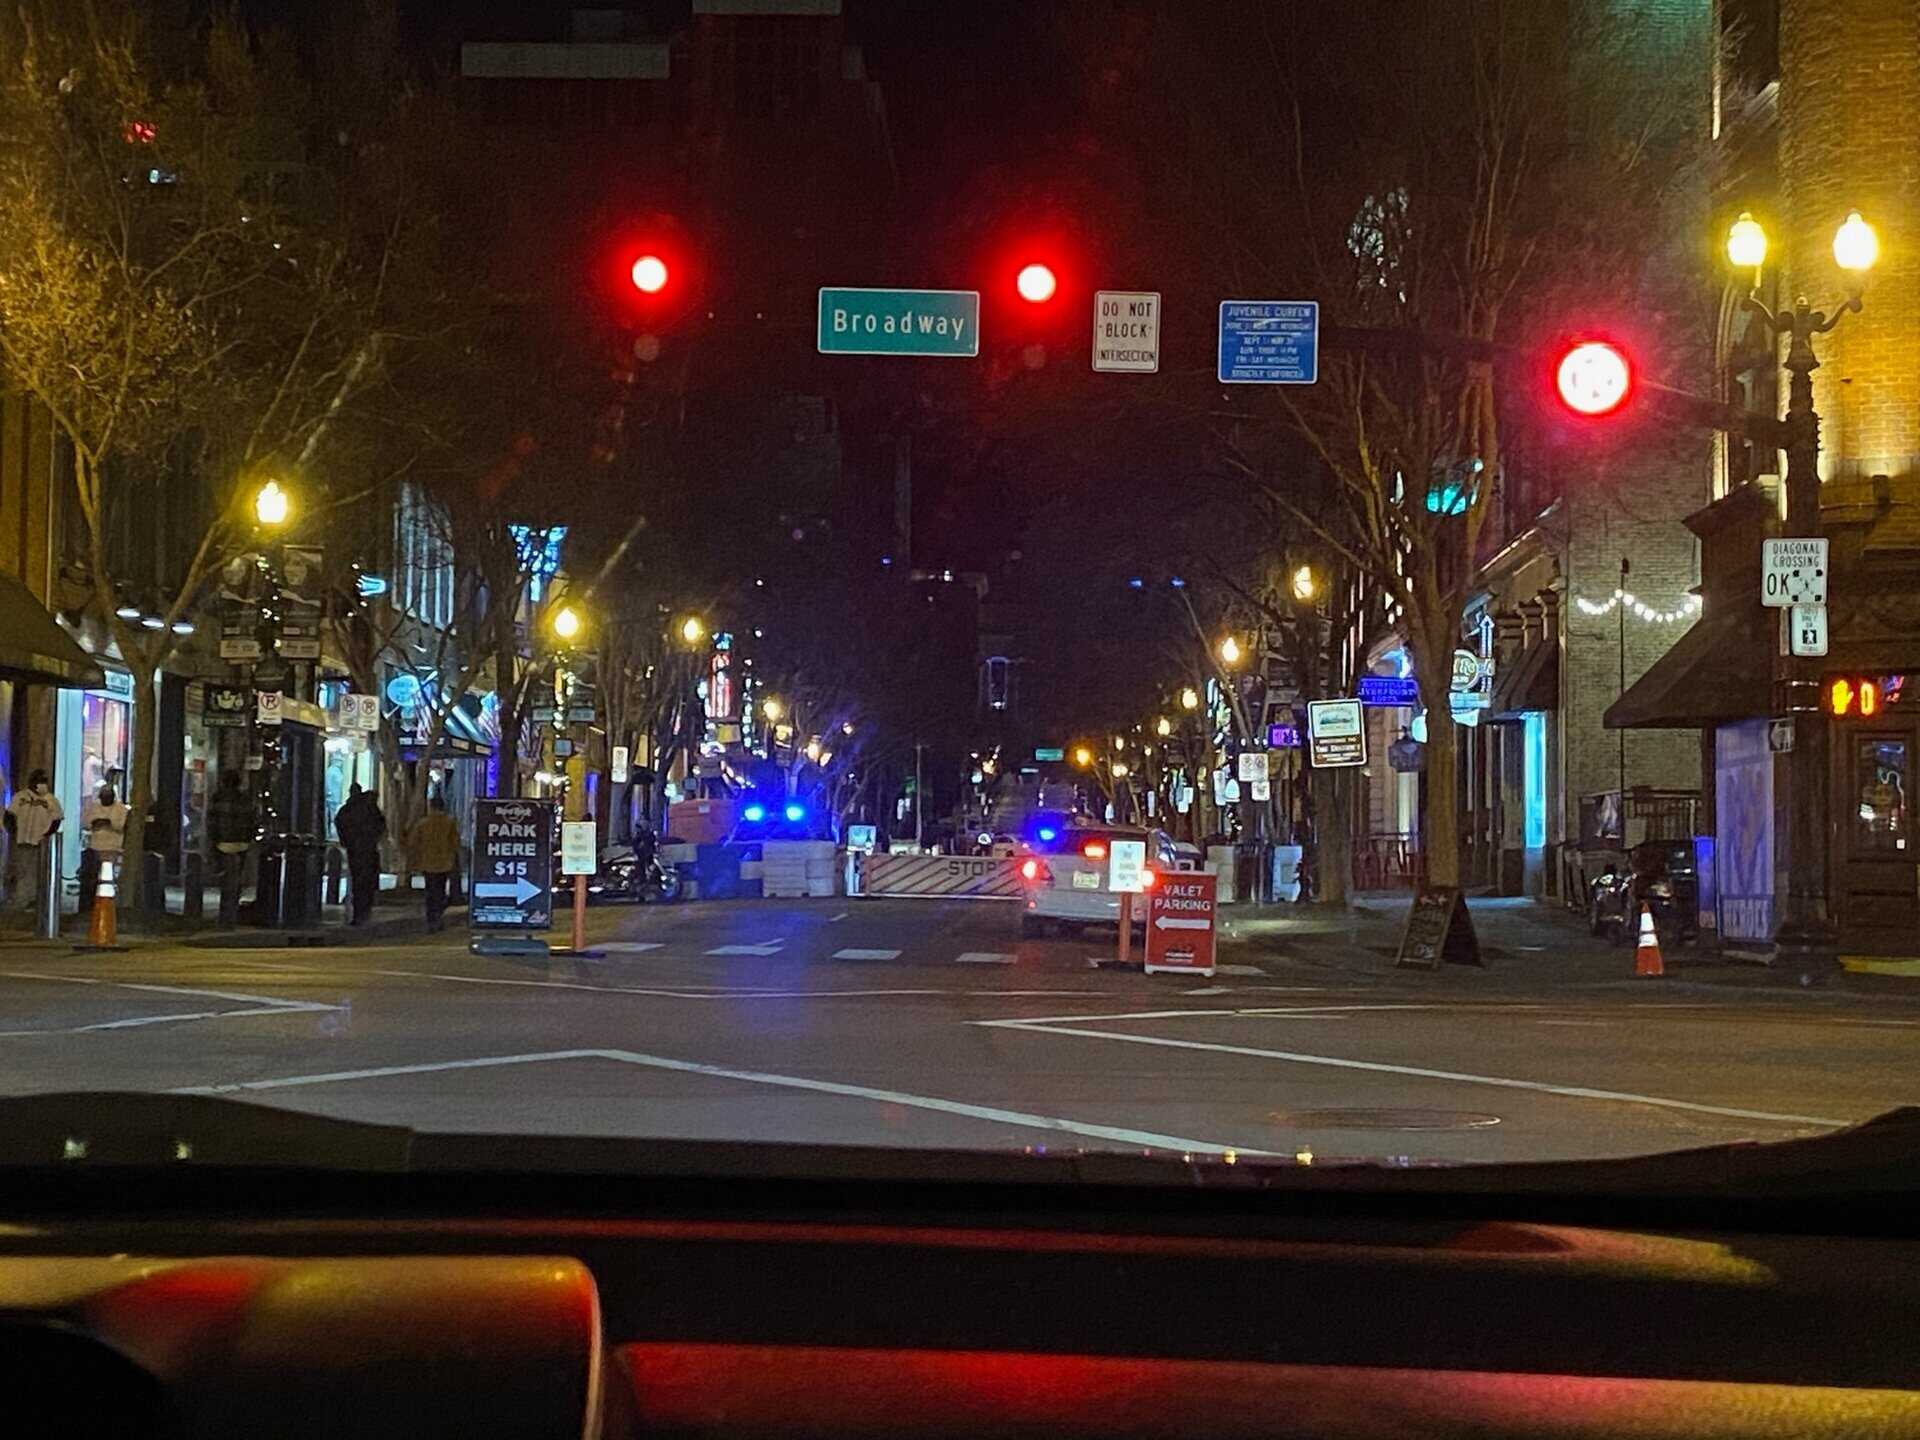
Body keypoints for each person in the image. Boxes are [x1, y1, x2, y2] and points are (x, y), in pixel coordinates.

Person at [5, 770, 63, 916]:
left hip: (41, 843)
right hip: (23, 841)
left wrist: (47, 835)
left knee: (39, 873)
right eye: (38, 781)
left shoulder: (51, 800)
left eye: (43, 781)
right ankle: (22, 901)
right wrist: (14, 834)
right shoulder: (20, 797)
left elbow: (57, 819)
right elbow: (9, 817)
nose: (41, 784)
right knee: (23, 871)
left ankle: (36, 901)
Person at [205, 770, 257, 926]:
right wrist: (249, 837)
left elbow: (211, 823)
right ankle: (232, 907)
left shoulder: (218, 798)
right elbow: (252, 821)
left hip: (222, 844)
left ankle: (225, 911)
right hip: (241, 844)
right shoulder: (244, 799)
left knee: (224, 877)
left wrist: (212, 842)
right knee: (237, 877)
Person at [333, 782, 386, 926]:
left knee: (358, 882)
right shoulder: (369, 809)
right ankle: (364, 911)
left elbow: (339, 823)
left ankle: (359, 913)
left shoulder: (348, 809)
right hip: (367, 849)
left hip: (355, 850)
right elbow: (381, 825)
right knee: (366, 882)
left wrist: (346, 841)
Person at [406, 796, 461, 932]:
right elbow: (455, 842)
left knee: (430, 891)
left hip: (427, 862)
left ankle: (431, 919)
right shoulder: (449, 822)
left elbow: (413, 842)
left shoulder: (423, 823)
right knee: (440, 890)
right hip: (444, 862)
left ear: (431, 806)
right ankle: (438, 917)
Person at [78, 783, 129, 916]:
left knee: (108, 877)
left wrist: (106, 822)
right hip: (95, 846)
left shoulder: (120, 808)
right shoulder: (94, 807)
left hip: (113, 847)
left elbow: (120, 825)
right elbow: (86, 823)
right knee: (92, 877)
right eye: (103, 796)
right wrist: (97, 822)